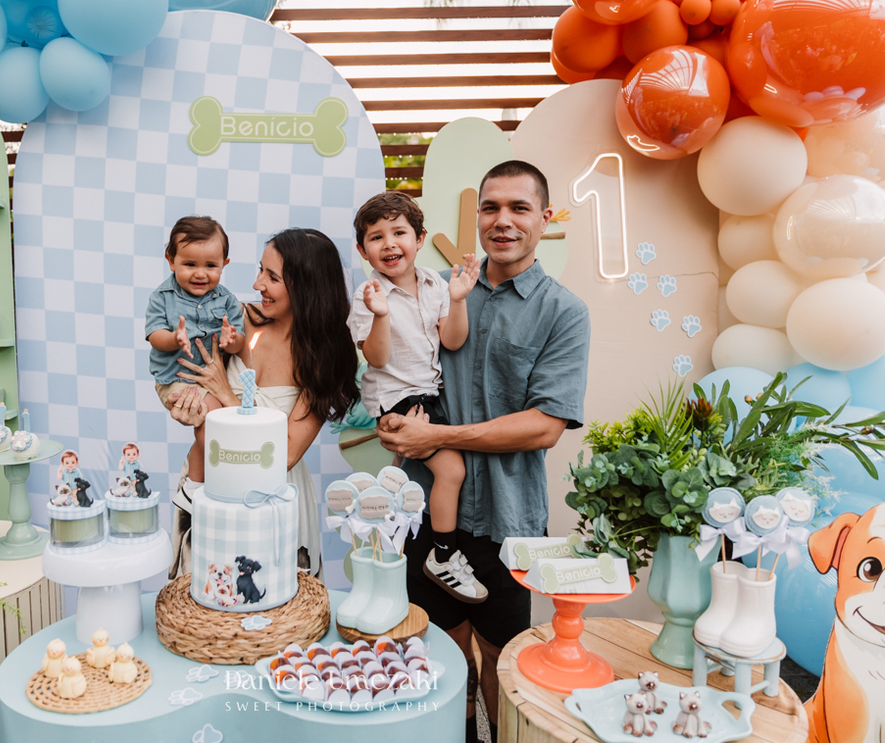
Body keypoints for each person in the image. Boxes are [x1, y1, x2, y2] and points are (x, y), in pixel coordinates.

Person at [378, 160, 590, 743]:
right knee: (440, 660)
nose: (503, 221)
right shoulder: (434, 292)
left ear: (544, 219)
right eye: (491, 208)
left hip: (505, 519)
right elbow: (389, 363)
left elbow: (545, 426)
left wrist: (437, 437)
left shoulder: (563, 312)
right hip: (426, 513)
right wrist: (393, 420)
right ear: (477, 217)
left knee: (501, 661)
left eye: (519, 208)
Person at [166, 228, 360, 581]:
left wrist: (227, 394)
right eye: (260, 271)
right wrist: (184, 403)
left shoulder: (325, 359)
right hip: (211, 483)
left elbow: (284, 453)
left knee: (271, 607)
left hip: (273, 501)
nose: (257, 285)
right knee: (202, 603)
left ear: (306, 286)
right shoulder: (236, 321)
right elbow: (188, 377)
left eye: (272, 277)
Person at [348, 192, 487, 602]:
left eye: (399, 232)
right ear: (363, 250)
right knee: (451, 471)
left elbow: (453, 340)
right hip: (398, 399)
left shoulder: (435, 284)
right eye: (376, 237)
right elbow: (377, 357)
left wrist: (458, 299)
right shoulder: (368, 295)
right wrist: (380, 314)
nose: (389, 243)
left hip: (430, 396)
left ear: (420, 237)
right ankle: (443, 555)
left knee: (418, 478)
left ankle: (402, 547)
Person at [146, 217, 245, 496]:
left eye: (210, 266)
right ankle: (211, 486)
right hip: (176, 379)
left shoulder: (227, 301)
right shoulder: (162, 298)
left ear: (224, 264)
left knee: (213, 422)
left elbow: (240, 342)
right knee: (214, 419)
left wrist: (231, 340)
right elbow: (155, 335)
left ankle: (195, 487)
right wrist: (173, 338)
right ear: (171, 260)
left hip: (211, 381)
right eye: (190, 264)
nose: (200, 274)